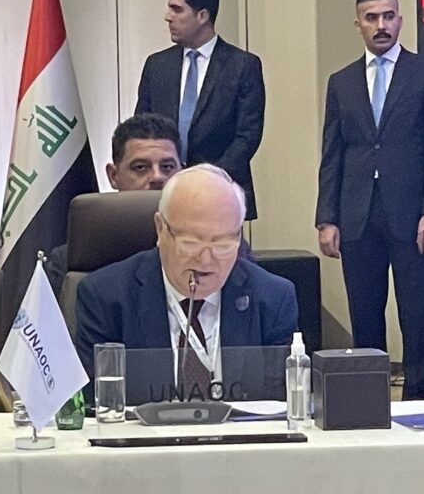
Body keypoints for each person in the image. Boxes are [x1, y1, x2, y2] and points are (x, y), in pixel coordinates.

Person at [315, 0, 424, 400]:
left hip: (413, 217)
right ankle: (368, 401)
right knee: (364, 317)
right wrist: (327, 218)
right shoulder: (341, 81)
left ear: (400, 20)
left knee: (416, 316)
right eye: (372, 18)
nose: (381, 25)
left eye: (389, 16)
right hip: (357, 216)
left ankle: (418, 403)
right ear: (358, 24)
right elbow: (332, 153)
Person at [75, 164, 297, 399]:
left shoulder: (274, 299)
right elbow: (97, 406)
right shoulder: (105, 298)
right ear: (160, 229)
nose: (206, 259)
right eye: (190, 243)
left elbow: (282, 406)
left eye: (222, 244)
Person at [135, 0, 265, 221]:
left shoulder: (242, 65)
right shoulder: (157, 65)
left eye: (177, 9)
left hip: (221, 192)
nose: (168, 17)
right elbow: (142, 127)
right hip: (161, 192)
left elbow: (247, 136)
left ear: (202, 16)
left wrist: (207, 179)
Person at [45, 113, 182, 294]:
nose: (157, 177)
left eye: (167, 167)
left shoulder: (202, 252)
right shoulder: (69, 260)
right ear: (113, 176)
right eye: (140, 167)